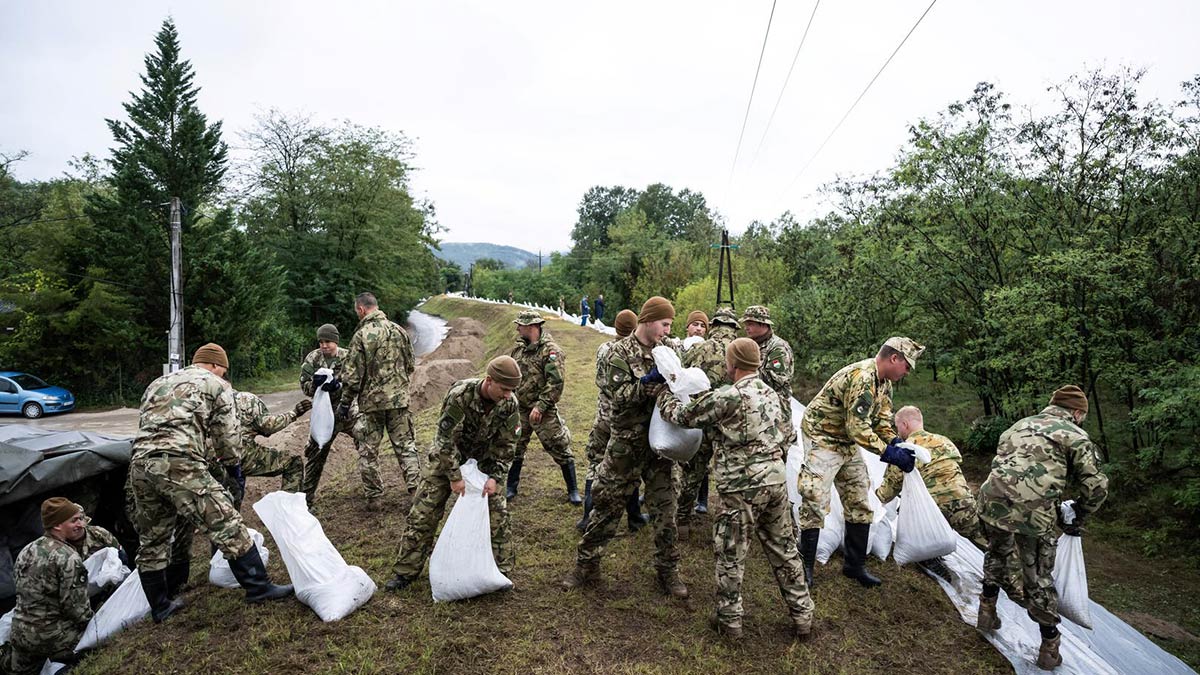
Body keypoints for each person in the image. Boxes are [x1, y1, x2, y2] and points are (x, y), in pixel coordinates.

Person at [659, 338, 814, 640]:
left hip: (740, 486)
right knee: (784, 550)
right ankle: (803, 614)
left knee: (731, 553)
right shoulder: (774, 396)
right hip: (775, 481)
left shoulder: (728, 396)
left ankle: (729, 621)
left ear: (733, 364)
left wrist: (665, 395)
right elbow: (789, 437)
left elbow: (682, 416)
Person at [128, 343, 293, 623]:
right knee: (226, 521)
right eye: (224, 370)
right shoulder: (216, 384)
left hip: (140, 465)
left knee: (153, 538)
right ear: (216, 366)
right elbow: (227, 437)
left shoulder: (158, 383)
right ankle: (259, 587)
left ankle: (160, 606)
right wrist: (233, 469)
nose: (224, 376)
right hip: (180, 463)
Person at [561, 296, 687, 599]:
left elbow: (681, 387)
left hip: (661, 446)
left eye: (670, 325)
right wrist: (648, 384)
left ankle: (668, 571)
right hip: (626, 445)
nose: (668, 330)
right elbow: (617, 397)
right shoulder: (618, 352)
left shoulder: (671, 350)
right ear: (647, 320)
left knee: (666, 510)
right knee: (606, 504)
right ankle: (586, 565)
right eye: (664, 324)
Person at [975, 385, 1109, 670]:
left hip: (991, 502)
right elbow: (1096, 487)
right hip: (1033, 514)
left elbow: (1004, 465)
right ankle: (1049, 647)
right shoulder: (1075, 435)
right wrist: (1078, 514)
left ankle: (985, 612)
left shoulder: (1018, 425)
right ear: (1077, 412)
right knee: (1038, 576)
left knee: (996, 553)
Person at [383, 357, 523, 591]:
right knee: (423, 514)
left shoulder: (509, 405)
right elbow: (444, 440)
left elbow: (508, 446)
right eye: (504, 389)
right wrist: (455, 477)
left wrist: (495, 478)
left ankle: (500, 572)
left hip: (484, 462)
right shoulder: (460, 395)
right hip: (447, 459)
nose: (508, 395)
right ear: (489, 381)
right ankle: (405, 572)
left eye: (512, 390)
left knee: (498, 516)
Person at [797, 337, 925, 589]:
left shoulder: (884, 384)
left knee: (859, 499)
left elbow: (882, 422)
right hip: (823, 436)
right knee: (814, 497)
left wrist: (897, 444)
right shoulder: (863, 377)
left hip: (846, 440)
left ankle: (854, 566)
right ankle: (805, 567)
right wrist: (888, 454)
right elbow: (858, 428)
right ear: (894, 358)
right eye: (907, 366)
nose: (907, 371)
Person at [338, 292, 421, 509]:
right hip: (399, 401)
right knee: (406, 446)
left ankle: (374, 498)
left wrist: (345, 403)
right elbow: (411, 364)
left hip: (371, 404)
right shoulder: (399, 331)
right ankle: (415, 491)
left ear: (361, 309)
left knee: (368, 450)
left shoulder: (361, 335)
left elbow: (352, 376)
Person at [0, 499, 93, 674]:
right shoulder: (68, 557)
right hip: (52, 638)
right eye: (73, 520)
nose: (80, 524)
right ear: (57, 525)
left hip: (20, 636)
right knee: (97, 641)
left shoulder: (26, 551)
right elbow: (76, 610)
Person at [578, 309, 647, 533]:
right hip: (624, 418)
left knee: (595, 463)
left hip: (603, 414)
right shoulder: (632, 352)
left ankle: (587, 517)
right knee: (629, 466)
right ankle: (635, 517)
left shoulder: (604, 348)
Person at [875, 406, 982, 544]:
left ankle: (929, 560)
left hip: (933, 510)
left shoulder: (905, 449)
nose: (897, 432)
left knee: (913, 532)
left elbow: (889, 489)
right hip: (963, 501)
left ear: (904, 425)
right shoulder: (944, 440)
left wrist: (873, 501)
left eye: (897, 427)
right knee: (987, 544)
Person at [505, 310, 580, 504]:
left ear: (532, 327)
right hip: (520, 409)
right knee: (515, 447)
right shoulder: (518, 350)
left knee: (559, 446)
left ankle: (573, 490)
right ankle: (511, 487)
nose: (517, 328)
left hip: (542, 410)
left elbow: (556, 383)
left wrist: (541, 406)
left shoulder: (550, 351)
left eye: (520, 325)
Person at [676, 307, 739, 533]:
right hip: (729, 423)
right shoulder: (740, 351)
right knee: (729, 475)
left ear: (713, 326)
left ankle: (682, 519)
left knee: (693, 472)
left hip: (703, 417)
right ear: (734, 328)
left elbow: (682, 374)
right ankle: (726, 527)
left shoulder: (700, 348)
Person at [299, 323, 362, 510]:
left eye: (328, 341)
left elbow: (357, 381)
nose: (324, 345)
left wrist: (338, 386)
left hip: (348, 408)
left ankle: (373, 491)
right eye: (321, 341)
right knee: (316, 453)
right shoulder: (313, 358)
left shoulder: (348, 356)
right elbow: (304, 386)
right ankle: (306, 500)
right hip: (324, 412)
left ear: (336, 341)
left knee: (366, 441)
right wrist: (315, 385)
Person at [214, 391, 312, 510]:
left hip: (211, 457)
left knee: (231, 487)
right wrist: (294, 413)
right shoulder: (247, 399)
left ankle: (229, 517)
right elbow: (267, 427)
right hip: (241, 453)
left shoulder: (207, 400)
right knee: (292, 462)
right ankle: (289, 513)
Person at [741, 306, 796, 446]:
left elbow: (778, 379)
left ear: (763, 324)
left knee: (777, 454)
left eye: (750, 324)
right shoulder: (752, 344)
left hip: (776, 413)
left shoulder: (778, 347)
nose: (746, 327)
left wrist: (745, 369)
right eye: (746, 324)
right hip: (757, 410)